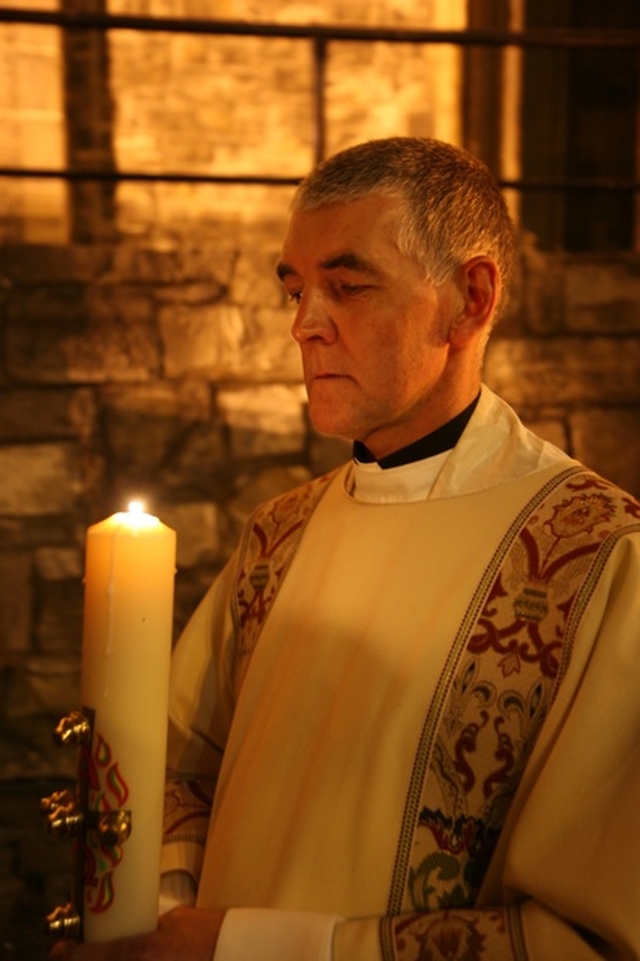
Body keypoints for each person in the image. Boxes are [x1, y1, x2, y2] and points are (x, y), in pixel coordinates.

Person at [51, 137, 640, 961]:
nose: (304, 325)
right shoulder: (277, 537)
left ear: (469, 300)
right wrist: (156, 917)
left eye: (347, 286)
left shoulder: (594, 561)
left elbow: (589, 939)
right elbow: (170, 770)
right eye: (294, 287)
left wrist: (239, 948)